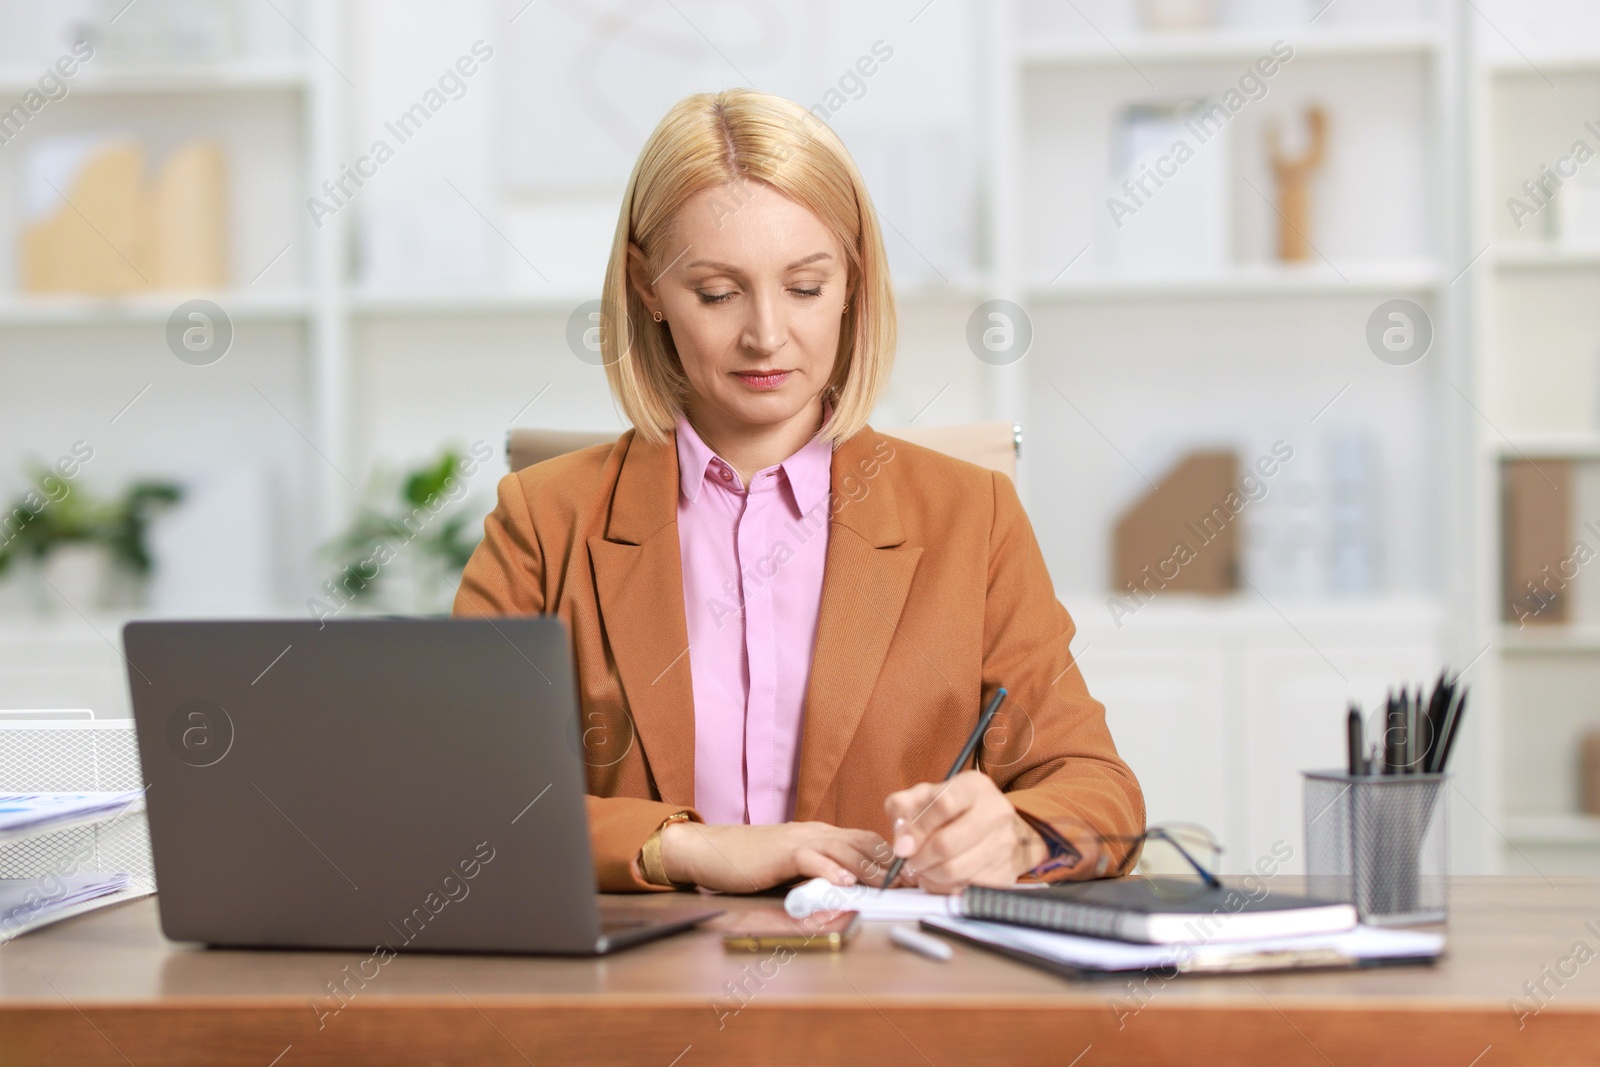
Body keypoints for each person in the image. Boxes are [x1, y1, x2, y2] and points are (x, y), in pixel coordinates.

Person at [453, 87, 1143, 894]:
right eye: (716, 292)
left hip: (887, 992)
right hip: (640, 995)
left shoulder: (972, 516)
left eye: (806, 286)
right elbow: (460, 802)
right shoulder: (544, 523)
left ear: (853, 279)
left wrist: (1018, 839)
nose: (767, 334)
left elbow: (1100, 791)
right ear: (647, 288)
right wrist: (683, 847)